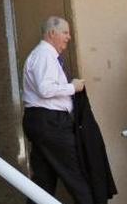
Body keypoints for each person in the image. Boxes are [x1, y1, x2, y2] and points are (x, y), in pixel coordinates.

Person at [22, 16, 92, 204]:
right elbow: (45, 89)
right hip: (51, 122)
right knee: (76, 174)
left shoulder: (46, 55)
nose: (69, 37)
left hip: (44, 121)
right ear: (52, 33)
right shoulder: (44, 55)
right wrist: (73, 87)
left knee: (43, 181)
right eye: (65, 32)